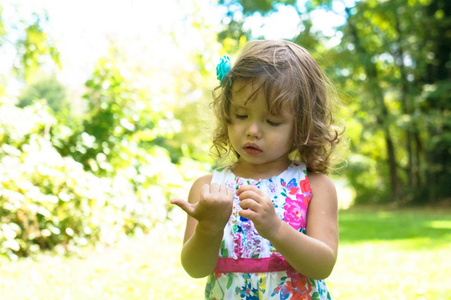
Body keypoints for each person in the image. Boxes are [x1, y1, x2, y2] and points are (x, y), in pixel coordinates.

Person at [171, 39, 343, 299]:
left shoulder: (315, 187)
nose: (252, 130)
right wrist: (209, 226)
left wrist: (275, 228)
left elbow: (322, 266)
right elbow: (195, 269)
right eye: (241, 115)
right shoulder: (209, 189)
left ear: (302, 125)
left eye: (272, 121)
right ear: (226, 114)